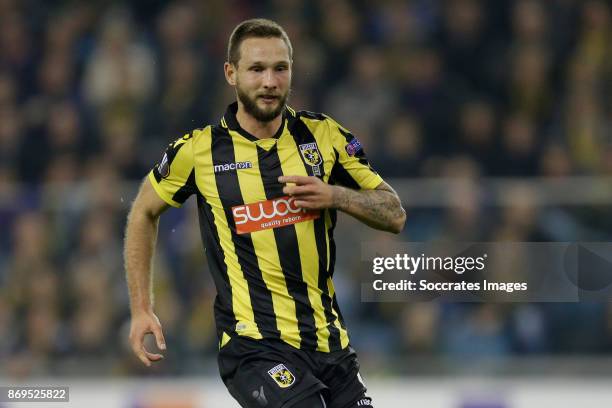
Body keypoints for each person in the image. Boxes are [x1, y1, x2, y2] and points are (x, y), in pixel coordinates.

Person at [125, 18, 406, 408]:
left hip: (331, 347)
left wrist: (336, 196)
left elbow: (394, 213)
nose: (270, 81)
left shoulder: (323, 136)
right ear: (231, 73)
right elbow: (143, 213)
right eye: (256, 69)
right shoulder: (198, 151)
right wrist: (141, 309)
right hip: (255, 349)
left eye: (280, 68)